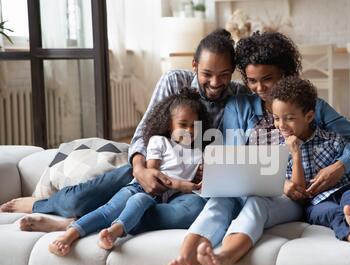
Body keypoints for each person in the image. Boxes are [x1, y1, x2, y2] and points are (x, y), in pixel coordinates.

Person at [164, 31, 350, 265]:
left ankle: (224, 259)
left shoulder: (312, 107)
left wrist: (339, 167)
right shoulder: (239, 106)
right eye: (252, 81)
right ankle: (184, 262)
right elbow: (232, 158)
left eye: (268, 79)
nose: (260, 88)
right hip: (248, 186)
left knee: (257, 204)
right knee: (219, 202)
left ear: (285, 74)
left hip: (288, 198)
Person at [1, 29, 247, 234]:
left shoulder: (238, 97)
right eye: (207, 74)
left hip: (186, 183)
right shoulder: (174, 81)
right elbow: (142, 135)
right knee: (75, 200)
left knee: (191, 213)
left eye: (224, 75)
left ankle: (78, 224)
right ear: (194, 65)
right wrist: (141, 170)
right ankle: (40, 205)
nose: (215, 83)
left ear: (233, 71)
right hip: (152, 166)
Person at [48, 88, 207, 256]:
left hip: (166, 199)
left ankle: (115, 231)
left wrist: (204, 179)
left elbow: (202, 180)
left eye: (193, 126)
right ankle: (68, 235)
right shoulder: (159, 142)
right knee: (111, 209)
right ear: (169, 125)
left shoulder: (198, 153)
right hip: (142, 188)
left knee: (147, 204)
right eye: (183, 124)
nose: (189, 130)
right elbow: (153, 174)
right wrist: (182, 185)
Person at [272, 76, 350, 261]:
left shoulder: (332, 140)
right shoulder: (279, 149)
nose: (281, 125)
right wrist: (296, 154)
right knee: (332, 213)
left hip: (345, 190)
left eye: (289, 118)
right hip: (315, 203)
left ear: (309, 116)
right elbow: (299, 191)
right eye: (276, 118)